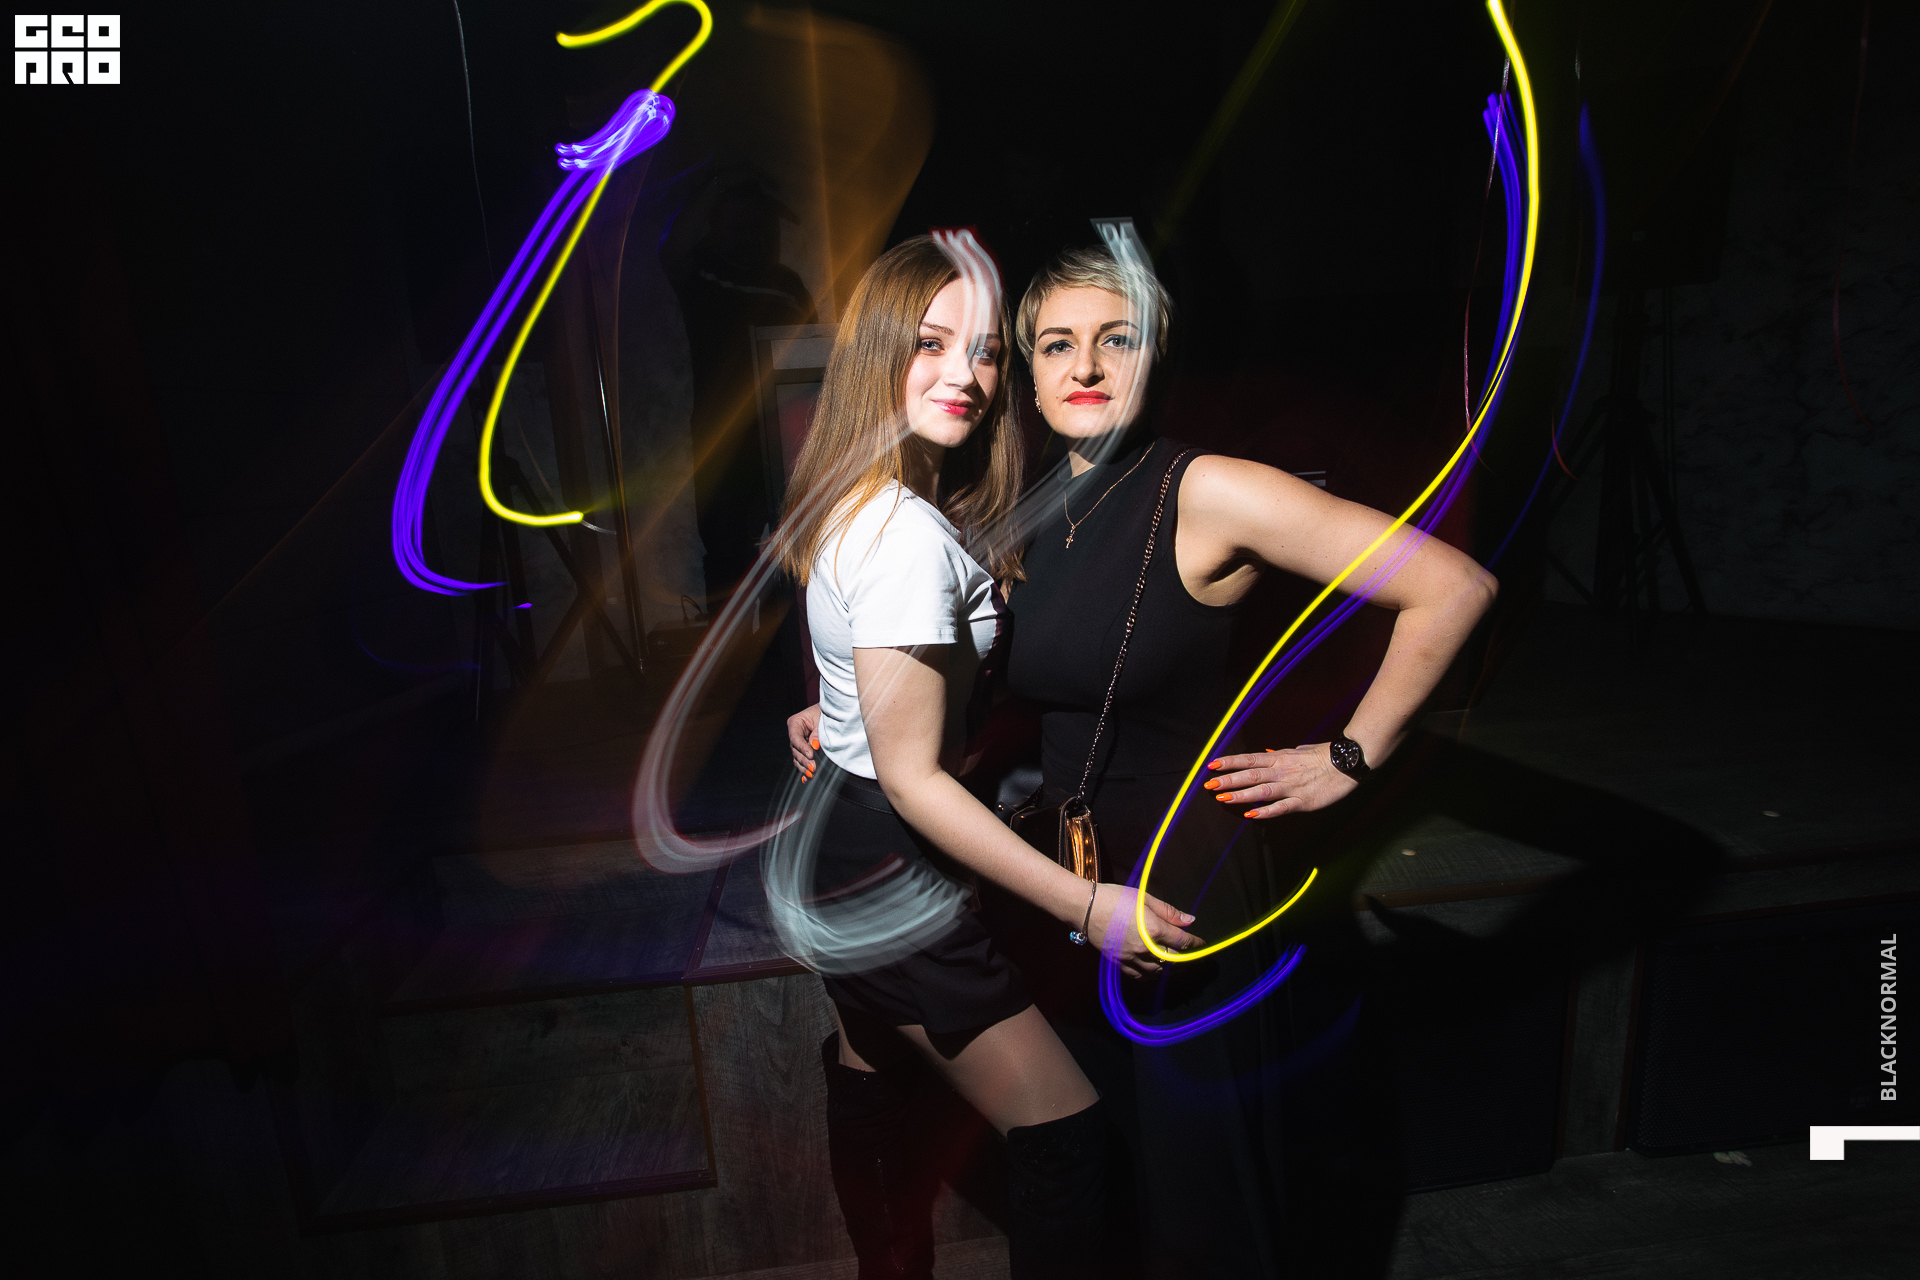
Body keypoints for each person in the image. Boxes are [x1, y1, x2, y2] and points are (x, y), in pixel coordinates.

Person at [791, 243, 1499, 1277]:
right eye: (1054, 345)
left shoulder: (1211, 489)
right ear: (1027, 374)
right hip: (1062, 876)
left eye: (1114, 339)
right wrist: (853, 706)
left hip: (1178, 878)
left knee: (1195, 1190)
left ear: (1154, 354)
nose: (1084, 365)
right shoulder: (1021, 500)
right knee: (1107, 1164)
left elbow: (1451, 586)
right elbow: (961, 655)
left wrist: (1351, 755)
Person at [774, 235, 1199, 1280]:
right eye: (929, 344)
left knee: (872, 1062)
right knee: (1068, 1133)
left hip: (835, 833)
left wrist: (840, 708)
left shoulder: (862, 497)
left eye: (985, 350)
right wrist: (1089, 904)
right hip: (887, 856)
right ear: (878, 352)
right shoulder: (905, 536)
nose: (963, 375)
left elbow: (876, 674)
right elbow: (915, 778)